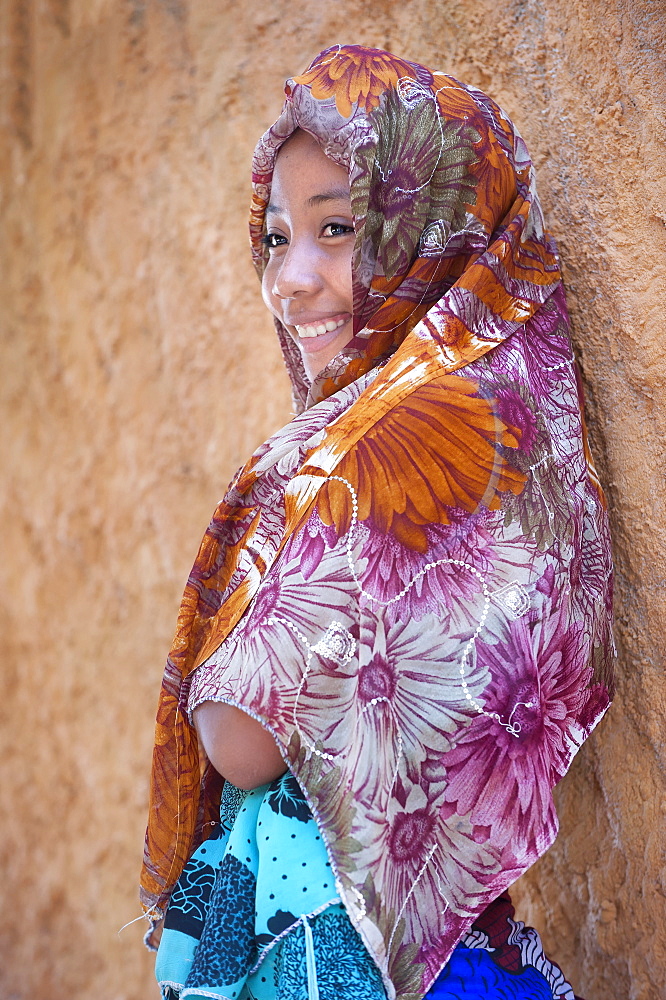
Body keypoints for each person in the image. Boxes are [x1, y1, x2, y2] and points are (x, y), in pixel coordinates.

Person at [140, 44, 615, 1000]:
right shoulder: (518, 407)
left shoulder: (388, 449)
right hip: (449, 942)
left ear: (430, 225)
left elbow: (242, 738)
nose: (292, 278)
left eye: (339, 229)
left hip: (339, 943)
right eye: (276, 238)